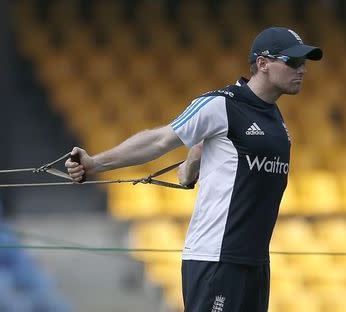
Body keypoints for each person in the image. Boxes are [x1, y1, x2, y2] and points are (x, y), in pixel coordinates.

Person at [66, 27, 322, 311]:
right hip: (217, 260)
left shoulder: (274, 115)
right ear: (262, 64)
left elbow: (200, 163)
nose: (302, 70)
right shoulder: (221, 104)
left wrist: (192, 164)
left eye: (304, 64)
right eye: (293, 62)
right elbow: (159, 139)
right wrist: (95, 163)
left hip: (255, 263)